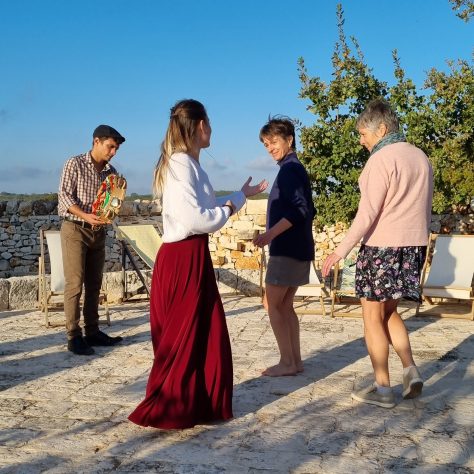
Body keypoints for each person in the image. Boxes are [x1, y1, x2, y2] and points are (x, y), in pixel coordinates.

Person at [128, 99, 268, 429]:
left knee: (204, 331)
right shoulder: (179, 165)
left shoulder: (189, 165)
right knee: (184, 336)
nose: (212, 129)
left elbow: (204, 205)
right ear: (201, 125)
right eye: (211, 122)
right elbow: (196, 218)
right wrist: (229, 211)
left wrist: (239, 196)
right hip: (182, 259)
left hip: (192, 257)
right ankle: (172, 406)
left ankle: (197, 402)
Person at [322, 99, 433, 408]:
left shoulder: (381, 160)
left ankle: (382, 388)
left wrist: (340, 251)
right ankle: (410, 369)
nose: (361, 141)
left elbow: (367, 214)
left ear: (381, 129)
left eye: (363, 134)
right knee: (388, 312)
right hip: (413, 247)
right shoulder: (420, 157)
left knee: (371, 315)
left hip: (382, 247)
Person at [253, 116, 316, 377]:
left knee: (272, 303)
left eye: (274, 142)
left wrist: (270, 235)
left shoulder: (290, 169)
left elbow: (302, 209)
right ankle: (295, 361)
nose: (270, 148)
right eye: (266, 144)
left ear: (289, 140)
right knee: (285, 305)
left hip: (287, 248)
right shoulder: (293, 168)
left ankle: (287, 362)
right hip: (298, 247)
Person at [58, 124, 126, 356]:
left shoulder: (111, 172)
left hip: (99, 232)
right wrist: (86, 215)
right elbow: (64, 198)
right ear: (96, 141)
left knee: (95, 284)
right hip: (75, 229)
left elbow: (111, 202)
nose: (113, 152)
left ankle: (93, 331)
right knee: (75, 284)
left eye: (116, 148)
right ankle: (73, 336)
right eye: (110, 147)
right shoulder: (74, 163)